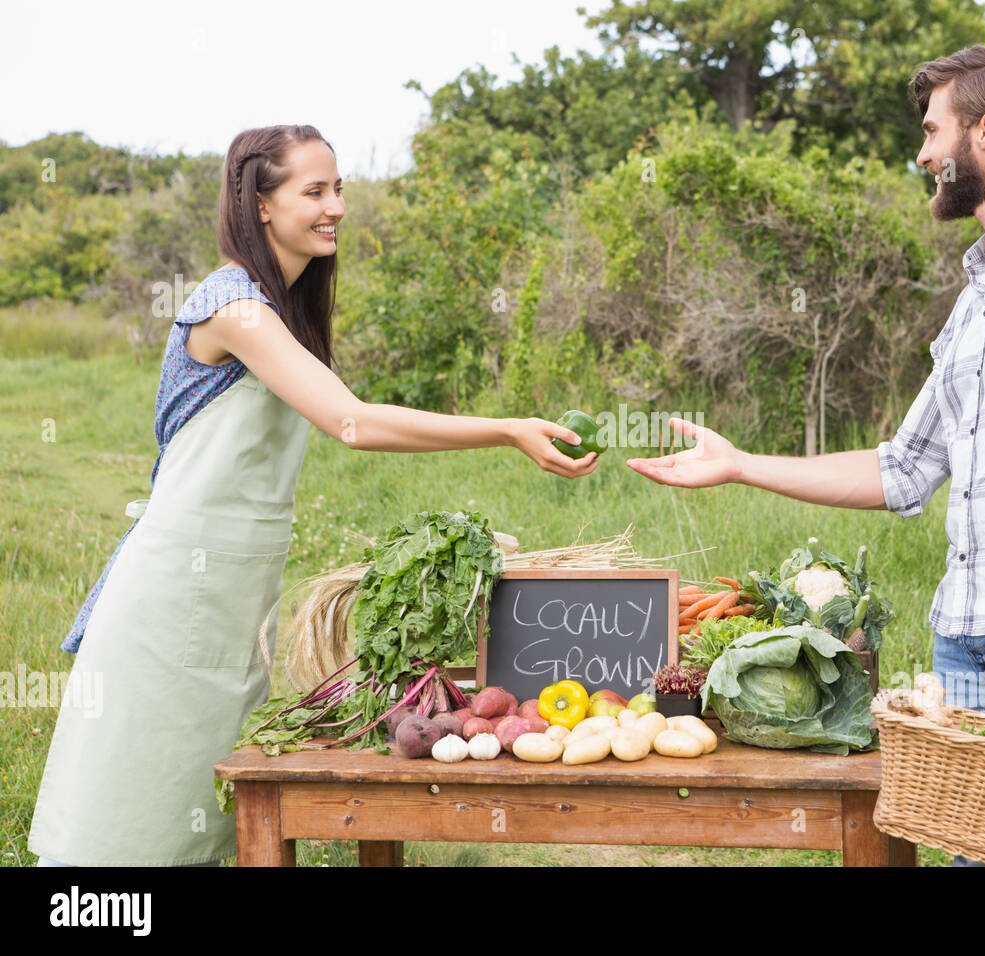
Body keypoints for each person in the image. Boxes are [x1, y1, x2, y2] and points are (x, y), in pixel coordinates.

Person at [626, 46, 985, 864]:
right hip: (965, 636)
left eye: (933, 129)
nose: (923, 154)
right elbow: (904, 469)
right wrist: (740, 463)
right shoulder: (977, 296)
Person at [29, 124, 597, 867]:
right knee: (132, 803)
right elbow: (352, 423)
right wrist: (506, 428)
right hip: (176, 589)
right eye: (314, 191)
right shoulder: (233, 307)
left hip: (231, 585)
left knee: (195, 804)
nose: (335, 207)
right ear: (261, 204)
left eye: (339, 191)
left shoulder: (281, 305)